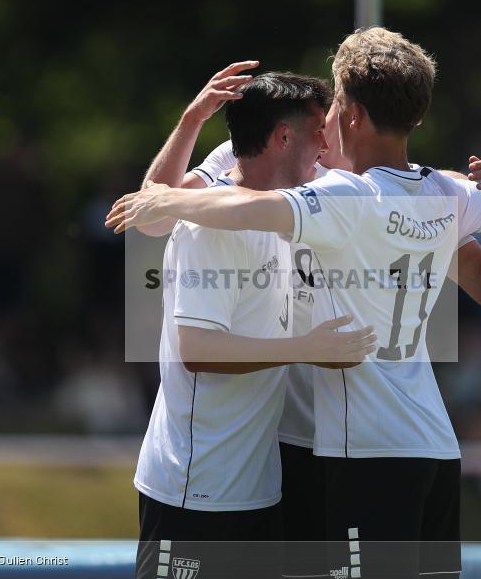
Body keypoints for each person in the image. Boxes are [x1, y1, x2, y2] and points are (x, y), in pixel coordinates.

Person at [109, 28, 481, 578]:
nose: (326, 121)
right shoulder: (430, 193)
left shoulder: (339, 193)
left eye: (335, 101)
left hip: (351, 449)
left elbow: (234, 208)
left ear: (350, 114)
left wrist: (176, 198)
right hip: (345, 448)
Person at [132, 67, 376, 579]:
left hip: (258, 489)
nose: (327, 147)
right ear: (283, 137)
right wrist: (305, 347)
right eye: (317, 134)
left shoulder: (290, 205)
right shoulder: (211, 225)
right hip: (194, 490)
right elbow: (198, 349)